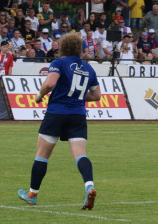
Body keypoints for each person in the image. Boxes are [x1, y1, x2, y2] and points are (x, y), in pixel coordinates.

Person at [17, 32, 101, 210]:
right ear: (79, 49)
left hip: (56, 113)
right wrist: (77, 95)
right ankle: (89, 186)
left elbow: (49, 84)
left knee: (42, 155)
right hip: (78, 115)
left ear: (62, 47)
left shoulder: (59, 63)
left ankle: (32, 195)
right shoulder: (88, 68)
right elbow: (96, 96)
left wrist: (39, 96)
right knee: (80, 154)